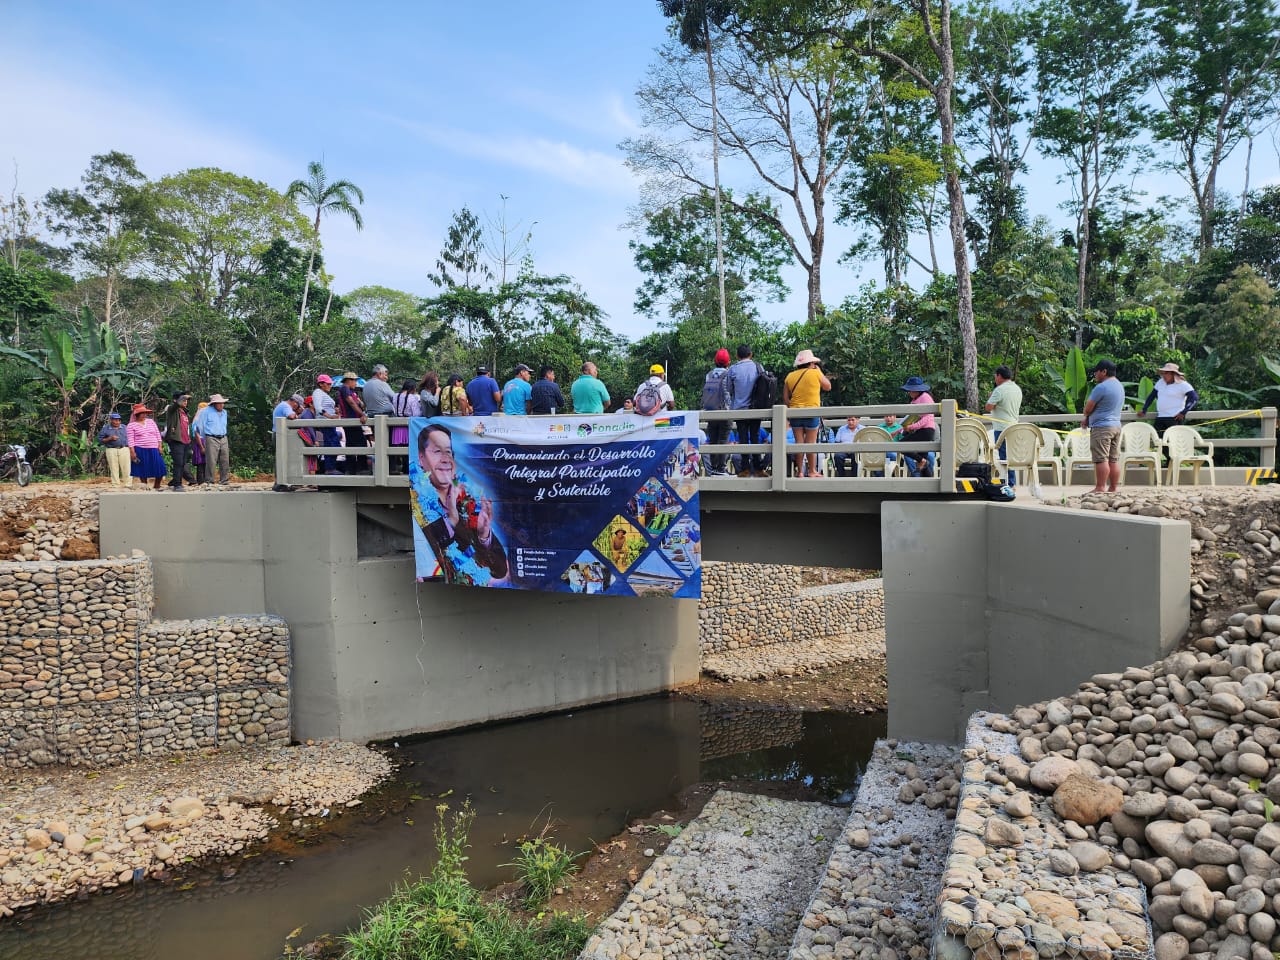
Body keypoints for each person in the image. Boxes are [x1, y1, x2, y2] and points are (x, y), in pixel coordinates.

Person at [411, 422, 508, 584]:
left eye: (448, 452)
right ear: (421, 459)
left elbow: (499, 571)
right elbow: (443, 566)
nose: (445, 459)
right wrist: (451, 521)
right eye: (437, 451)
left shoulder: (467, 501)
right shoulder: (418, 503)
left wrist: (484, 535)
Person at [783, 349, 832, 478]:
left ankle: (799, 471)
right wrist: (819, 371)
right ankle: (811, 471)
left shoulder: (790, 376)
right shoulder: (815, 373)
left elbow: (786, 398)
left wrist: (794, 406)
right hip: (811, 412)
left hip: (795, 413)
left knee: (799, 442)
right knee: (811, 442)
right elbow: (828, 386)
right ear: (810, 363)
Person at [1081, 358, 1124, 493]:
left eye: (1097, 372)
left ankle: (1100, 487)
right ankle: (1113, 488)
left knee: (1101, 459)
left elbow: (1088, 408)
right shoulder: (1119, 386)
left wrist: (1086, 416)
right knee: (1113, 459)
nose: (1095, 375)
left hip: (1102, 427)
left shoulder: (1102, 387)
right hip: (1116, 426)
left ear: (1104, 371)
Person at [727, 344, 765, 477]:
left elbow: (729, 390)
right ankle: (759, 469)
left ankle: (745, 469)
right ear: (751, 354)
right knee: (755, 437)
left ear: (737, 356)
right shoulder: (758, 367)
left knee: (743, 439)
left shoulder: (733, 369)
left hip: (740, 409)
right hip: (756, 408)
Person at [985, 365, 1023, 485]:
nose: (995, 379)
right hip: (1014, 427)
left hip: (1001, 428)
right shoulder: (1017, 388)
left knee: (1003, 456)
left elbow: (988, 407)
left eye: (995, 376)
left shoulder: (999, 390)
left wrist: (991, 397)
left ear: (999, 376)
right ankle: (1011, 482)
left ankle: (1009, 483)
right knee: (1010, 455)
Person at [1139, 362, 1199, 433]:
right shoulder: (1160, 382)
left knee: (1173, 442)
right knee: (1158, 441)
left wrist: (1183, 412)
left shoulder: (1183, 384)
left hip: (1174, 418)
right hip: (1160, 417)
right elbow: (1151, 396)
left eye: (1166, 373)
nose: (1164, 375)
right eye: (1163, 373)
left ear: (1173, 374)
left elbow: (1194, 398)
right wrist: (1144, 409)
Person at [898, 376, 937, 478]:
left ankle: (922, 461)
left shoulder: (925, 397)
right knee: (924, 465)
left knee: (901, 445)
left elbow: (926, 418)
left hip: (925, 430)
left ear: (916, 390)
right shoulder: (916, 399)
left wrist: (911, 427)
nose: (908, 392)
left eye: (910, 390)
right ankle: (928, 486)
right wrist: (901, 429)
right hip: (922, 430)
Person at [702, 348, 732, 475]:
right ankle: (721, 468)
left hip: (710, 411)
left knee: (713, 439)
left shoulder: (708, 374)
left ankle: (713, 469)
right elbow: (729, 394)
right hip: (724, 411)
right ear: (728, 362)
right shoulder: (729, 374)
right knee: (723, 439)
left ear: (715, 361)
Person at [193, 393, 232, 485]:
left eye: (222, 403)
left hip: (223, 437)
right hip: (211, 437)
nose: (222, 405)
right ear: (214, 404)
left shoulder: (224, 412)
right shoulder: (205, 412)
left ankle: (224, 479)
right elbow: (200, 426)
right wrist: (204, 438)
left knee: (225, 459)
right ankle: (209, 480)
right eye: (219, 403)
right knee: (211, 460)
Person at [126, 403, 166, 490]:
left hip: (153, 448)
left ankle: (157, 485)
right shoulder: (131, 425)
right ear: (137, 414)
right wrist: (132, 452)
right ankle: (144, 485)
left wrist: (160, 446)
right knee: (142, 469)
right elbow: (131, 440)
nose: (144, 415)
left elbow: (158, 434)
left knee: (160, 466)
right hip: (140, 449)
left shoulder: (151, 422)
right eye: (142, 413)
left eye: (145, 413)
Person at [335, 372, 369, 474]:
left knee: (351, 443)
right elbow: (351, 402)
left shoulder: (350, 391)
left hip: (350, 420)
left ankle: (351, 468)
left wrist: (359, 401)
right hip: (351, 419)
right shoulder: (345, 388)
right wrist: (362, 414)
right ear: (349, 380)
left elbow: (358, 403)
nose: (356, 383)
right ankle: (361, 468)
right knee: (361, 443)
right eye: (355, 381)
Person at [160, 391, 193, 490]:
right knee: (178, 462)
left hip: (185, 440)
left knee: (182, 463)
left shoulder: (184, 412)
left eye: (186, 400)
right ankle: (177, 484)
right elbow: (176, 405)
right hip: (176, 440)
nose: (185, 401)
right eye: (183, 399)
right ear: (175, 400)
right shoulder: (171, 409)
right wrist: (183, 397)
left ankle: (175, 481)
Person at [312, 374, 341, 475]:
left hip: (329, 422)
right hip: (325, 422)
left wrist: (335, 411)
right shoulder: (317, 392)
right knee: (332, 443)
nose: (330, 386)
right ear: (321, 384)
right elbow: (318, 408)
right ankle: (330, 468)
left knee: (334, 443)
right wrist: (330, 416)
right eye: (328, 384)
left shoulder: (324, 394)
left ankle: (331, 467)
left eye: (330, 384)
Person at [390, 379, 420, 474]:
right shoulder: (412, 398)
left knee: (399, 449)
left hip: (397, 425)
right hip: (408, 426)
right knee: (409, 449)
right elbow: (416, 414)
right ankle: (407, 469)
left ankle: (396, 468)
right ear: (412, 388)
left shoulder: (395, 396)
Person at [97, 411, 130, 488]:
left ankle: (128, 484)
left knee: (126, 467)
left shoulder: (125, 427)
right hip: (111, 449)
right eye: (115, 420)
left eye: (118, 420)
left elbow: (130, 437)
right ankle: (115, 484)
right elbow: (100, 440)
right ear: (111, 420)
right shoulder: (106, 429)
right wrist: (110, 438)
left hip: (124, 448)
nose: (117, 421)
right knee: (113, 467)